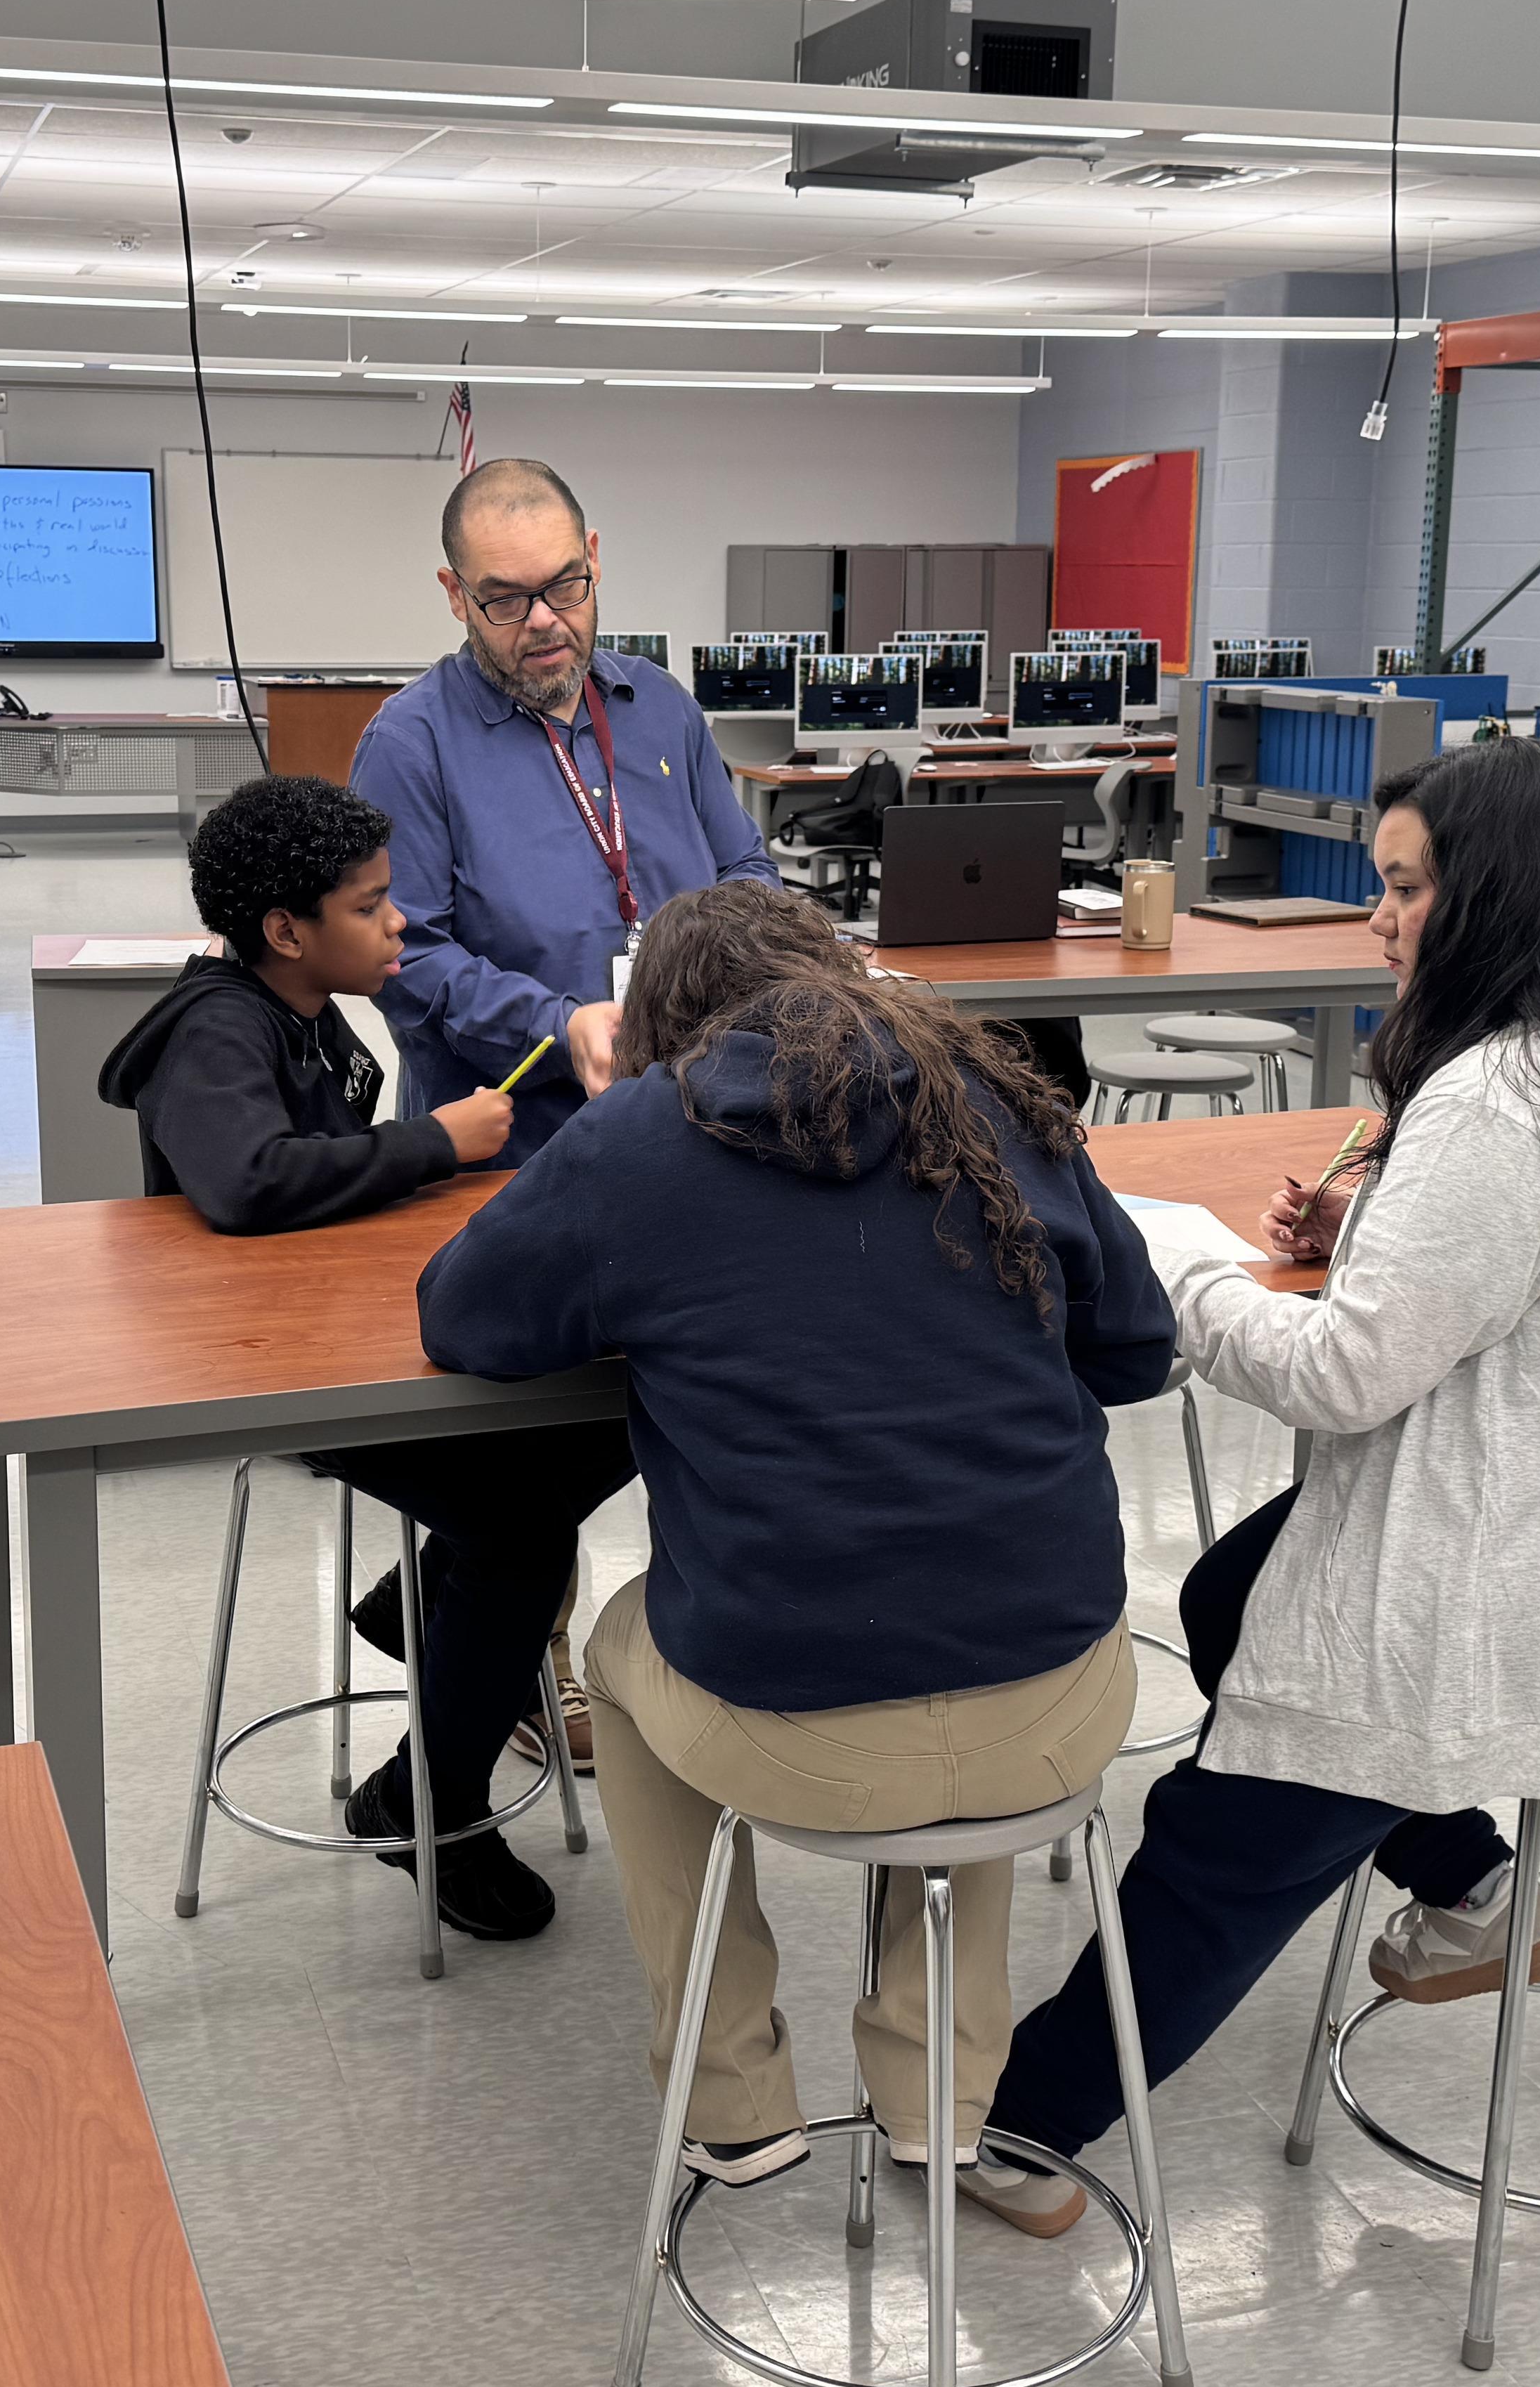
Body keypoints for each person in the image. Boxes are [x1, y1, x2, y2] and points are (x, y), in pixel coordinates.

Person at [982, 736, 1540, 2194]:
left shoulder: (1492, 1103)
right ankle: (1473, 1885)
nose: (1384, 921)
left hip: (1478, 1603)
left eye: (1407, 890)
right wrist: (1381, 1244)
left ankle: (1026, 2134)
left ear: (1501, 899)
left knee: (1215, 1840)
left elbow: (1344, 1381)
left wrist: (1184, 1273)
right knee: (1228, 1593)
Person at [418, 880, 1176, 2230]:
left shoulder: (638, 1139)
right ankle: (939, 2097)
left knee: (623, 1642)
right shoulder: (987, 1102)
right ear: (836, 972)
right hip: (1064, 1705)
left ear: (664, 1022)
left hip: (795, 1726)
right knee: (976, 1616)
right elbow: (1131, 1347)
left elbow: (465, 1317)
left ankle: (731, 2099)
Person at [98, 772, 629, 1944]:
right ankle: (430, 1805)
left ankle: (432, 1597)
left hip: (338, 1321)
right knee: (524, 1533)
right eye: (373, 905)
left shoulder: (307, 1004)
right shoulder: (217, 1028)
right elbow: (244, 1182)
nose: (399, 925)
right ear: (287, 930)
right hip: (273, 1364)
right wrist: (433, 1142)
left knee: (623, 1400)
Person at [351, 458, 780, 1166]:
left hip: (696, 1120)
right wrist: (560, 1027)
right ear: (456, 596)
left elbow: (744, 866)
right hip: (515, 1156)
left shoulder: (661, 706)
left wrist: (749, 966)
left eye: (563, 585)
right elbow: (403, 957)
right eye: (507, 600)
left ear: (595, 558)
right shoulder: (409, 746)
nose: (546, 619)